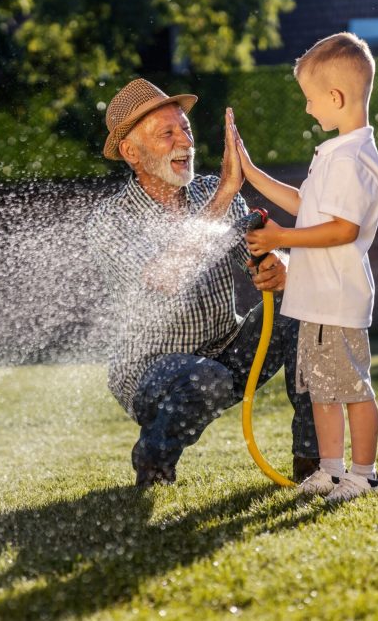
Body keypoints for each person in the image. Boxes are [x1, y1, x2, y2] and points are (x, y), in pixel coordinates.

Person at [87, 78, 319, 488]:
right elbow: (164, 278)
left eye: (187, 129)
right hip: (152, 372)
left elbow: (257, 254)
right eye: (168, 133)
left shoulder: (211, 191)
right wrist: (227, 193)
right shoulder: (112, 219)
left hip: (226, 351)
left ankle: (313, 464)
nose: (186, 142)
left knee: (303, 305)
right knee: (204, 377)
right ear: (131, 152)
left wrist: (277, 267)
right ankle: (153, 460)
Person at [234, 32, 378, 503]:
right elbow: (306, 206)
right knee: (322, 391)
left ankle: (363, 474)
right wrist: (252, 173)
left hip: (337, 300)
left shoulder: (352, 159)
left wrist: (279, 238)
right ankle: (331, 470)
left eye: (310, 99)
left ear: (335, 97)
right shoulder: (335, 153)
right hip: (316, 299)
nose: (306, 109)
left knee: (353, 391)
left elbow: (341, 230)